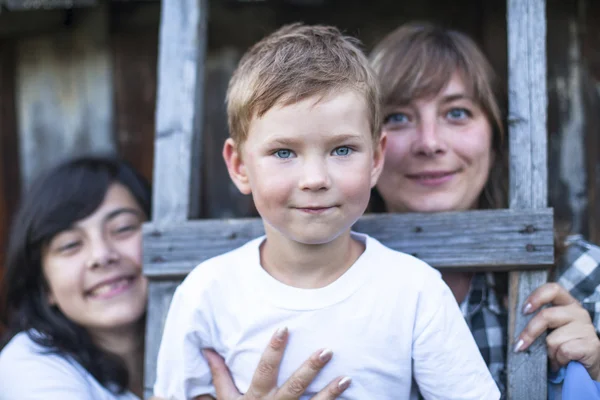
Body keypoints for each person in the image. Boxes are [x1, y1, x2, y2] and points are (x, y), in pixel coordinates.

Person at [153, 23, 500, 400]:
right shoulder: (206, 295)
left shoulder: (415, 291)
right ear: (239, 166)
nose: (315, 179)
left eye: (341, 150)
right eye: (284, 152)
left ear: (376, 157)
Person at [368, 22, 600, 398]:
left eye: (456, 113)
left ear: (496, 138)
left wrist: (596, 373)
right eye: (397, 117)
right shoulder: (306, 287)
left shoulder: (581, 277)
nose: (430, 143)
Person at [0, 156, 151, 399]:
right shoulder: (28, 366)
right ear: (44, 286)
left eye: (123, 228)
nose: (102, 256)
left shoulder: (210, 335)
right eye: (70, 245)